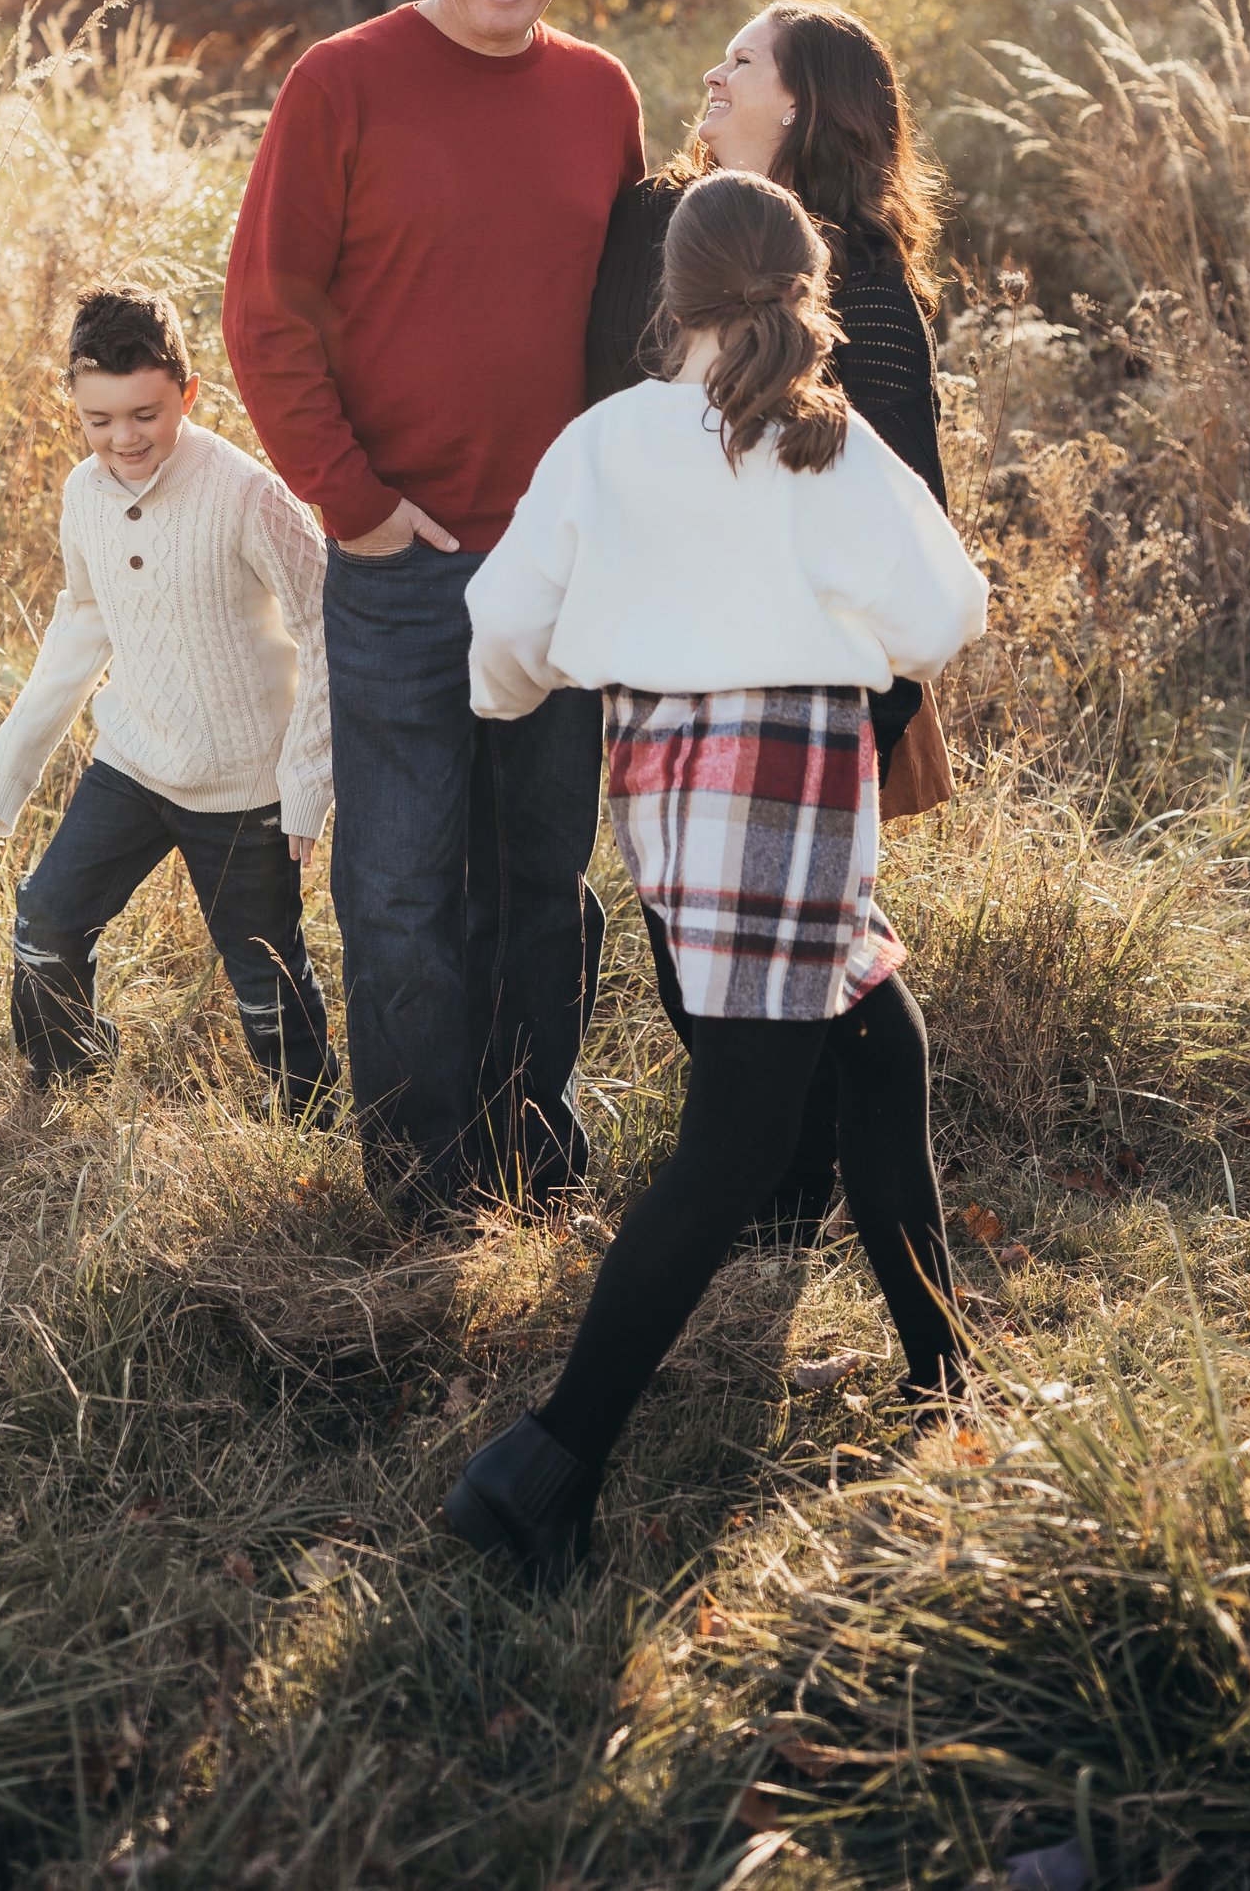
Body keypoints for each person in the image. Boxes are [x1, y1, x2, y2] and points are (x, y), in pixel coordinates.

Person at [447, 169, 989, 1578]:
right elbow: (944, 611)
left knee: (882, 1046)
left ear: (666, 296)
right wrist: (839, 615)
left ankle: (949, 1382)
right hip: (790, 776)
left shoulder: (605, 438)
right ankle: (547, 1462)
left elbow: (500, 624)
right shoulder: (827, 444)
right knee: (738, 1140)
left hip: (670, 783)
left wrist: (519, 688)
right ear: (805, 286)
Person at [222, 0, 646, 1226]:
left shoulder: (600, 95)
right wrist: (360, 508)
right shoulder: (342, 81)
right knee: (401, 887)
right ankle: (421, 1192)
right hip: (404, 564)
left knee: (540, 878)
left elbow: (627, 326)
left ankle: (533, 1150)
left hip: (557, 567)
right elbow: (266, 316)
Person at [587, 0, 953, 1226]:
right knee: (682, 935)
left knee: (806, 961)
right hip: (658, 661)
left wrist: (879, 706)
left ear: (796, 102)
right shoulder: (656, 227)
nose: (712, 70)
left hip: (800, 682)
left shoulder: (861, 281)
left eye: (740, 59)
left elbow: (910, 501)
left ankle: (780, 1192)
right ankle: (774, 1182)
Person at [0, 284, 336, 1117]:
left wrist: (309, 784)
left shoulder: (247, 494)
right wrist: (7, 771)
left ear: (188, 392)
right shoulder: (82, 493)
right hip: (133, 762)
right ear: (73, 404)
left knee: (265, 979)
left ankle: (306, 1121)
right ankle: (69, 1084)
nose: (123, 440)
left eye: (145, 414)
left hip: (244, 785)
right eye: (99, 420)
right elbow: (83, 621)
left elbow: (328, 632)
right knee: (46, 924)